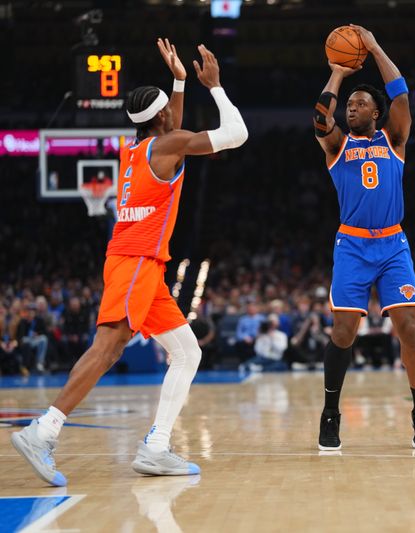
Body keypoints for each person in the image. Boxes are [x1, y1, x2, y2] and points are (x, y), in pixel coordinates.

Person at [11, 39, 248, 486]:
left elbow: (172, 126)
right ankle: (43, 432)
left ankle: (156, 447)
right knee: (108, 348)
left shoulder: (137, 149)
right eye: (168, 112)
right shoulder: (167, 145)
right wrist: (213, 87)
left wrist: (179, 80)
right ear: (161, 119)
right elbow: (237, 134)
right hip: (136, 260)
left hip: (140, 263)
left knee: (187, 351)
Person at [313, 25, 415, 450]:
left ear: (375, 113)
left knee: (409, 327)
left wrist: (376, 46)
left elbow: (400, 95)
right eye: (349, 105)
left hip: (392, 245)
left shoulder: (394, 139)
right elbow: (319, 118)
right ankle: (331, 412)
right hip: (352, 245)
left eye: (360, 104)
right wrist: (338, 73)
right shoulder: (337, 147)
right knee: (343, 331)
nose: (351, 108)